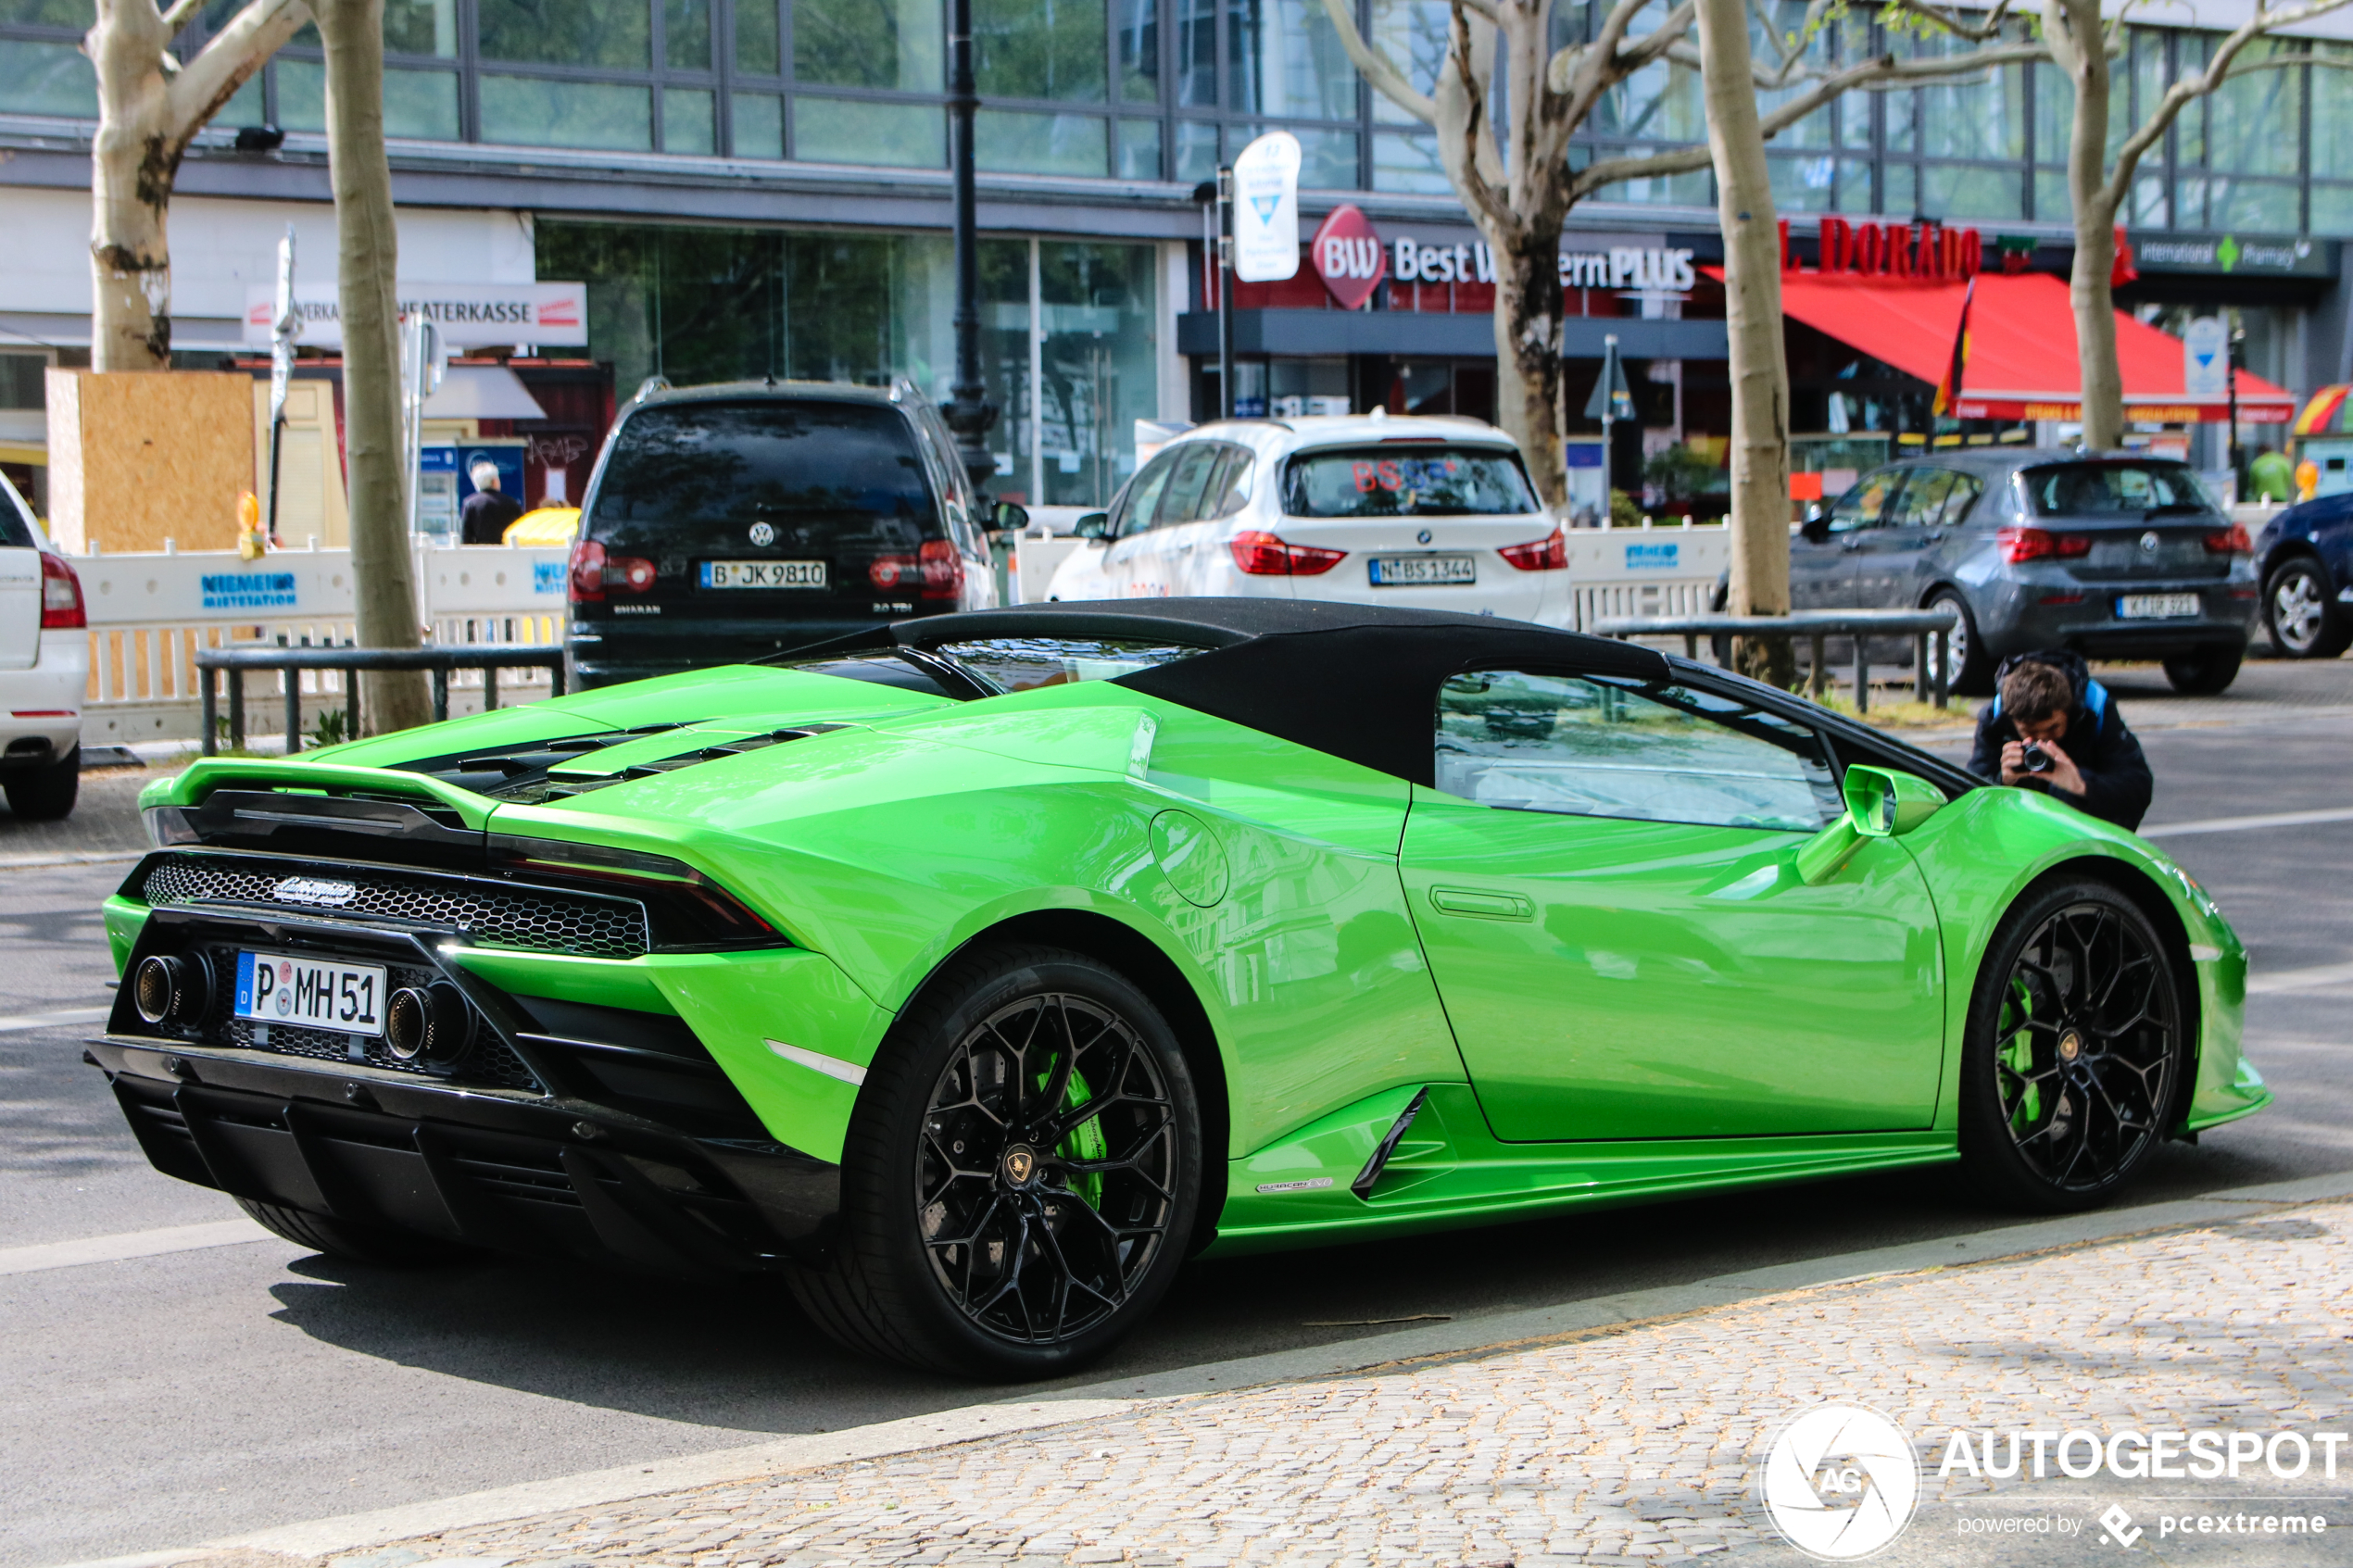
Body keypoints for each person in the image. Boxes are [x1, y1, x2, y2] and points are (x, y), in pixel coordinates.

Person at [1968, 651, 2153, 832]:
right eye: (2030, 732)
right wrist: (2002, 781)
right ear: (2011, 721)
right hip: (2020, 831)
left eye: (2052, 728)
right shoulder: (1994, 719)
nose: (2042, 740)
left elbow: (2138, 787)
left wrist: (2081, 785)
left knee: (2066, 792)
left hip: (2087, 832)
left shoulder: (2095, 709)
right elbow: (1969, 799)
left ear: (2068, 711)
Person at [460, 460, 524, 545]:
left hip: (481, 553)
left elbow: (466, 536)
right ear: (494, 481)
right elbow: (522, 530)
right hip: (507, 551)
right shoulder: (511, 502)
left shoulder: (470, 503)